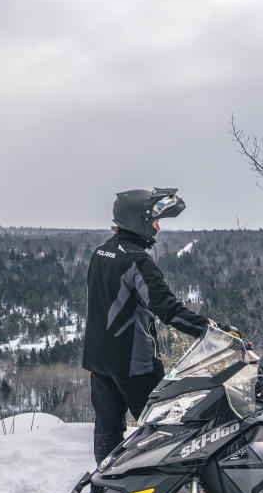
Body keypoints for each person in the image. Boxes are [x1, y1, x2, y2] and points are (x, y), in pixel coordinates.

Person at [82, 187, 222, 464]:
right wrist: (212, 329)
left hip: (98, 358)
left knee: (108, 428)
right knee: (164, 427)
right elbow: (168, 309)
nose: (157, 227)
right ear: (139, 220)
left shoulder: (101, 252)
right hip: (133, 361)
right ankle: (165, 487)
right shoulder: (138, 260)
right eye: (154, 221)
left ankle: (108, 484)